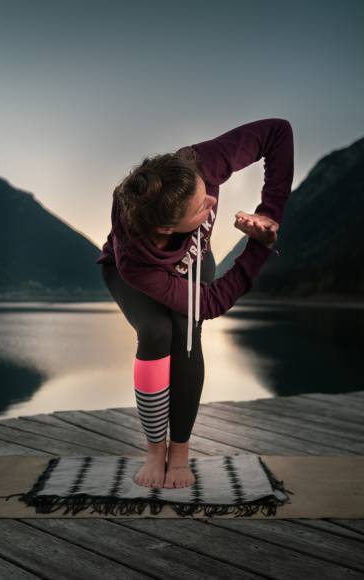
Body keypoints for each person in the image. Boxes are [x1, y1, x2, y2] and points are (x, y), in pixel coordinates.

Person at [96, 118, 294, 489]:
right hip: (128, 272)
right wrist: (259, 248)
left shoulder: (197, 163)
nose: (213, 201)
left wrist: (269, 214)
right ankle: (156, 450)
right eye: (202, 207)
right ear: (167, 229)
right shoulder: (136, 263)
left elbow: (278, 132)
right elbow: (212, 300)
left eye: (207, 192)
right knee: (157, 331)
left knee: (187, 333)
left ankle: (181, 451)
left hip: (194, 260)